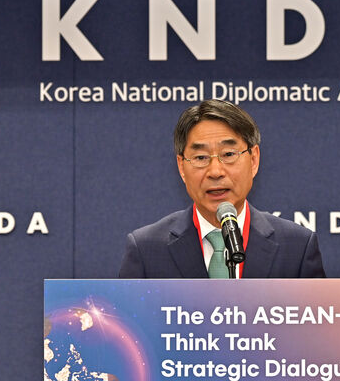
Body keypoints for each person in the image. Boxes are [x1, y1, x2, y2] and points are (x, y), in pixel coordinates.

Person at [118, 99, 325, 279]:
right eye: (200, 157)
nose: (215, 171)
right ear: (181, 167)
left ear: (253, 160)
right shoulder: (146, 250)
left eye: (228, 154)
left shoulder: (297, 248)